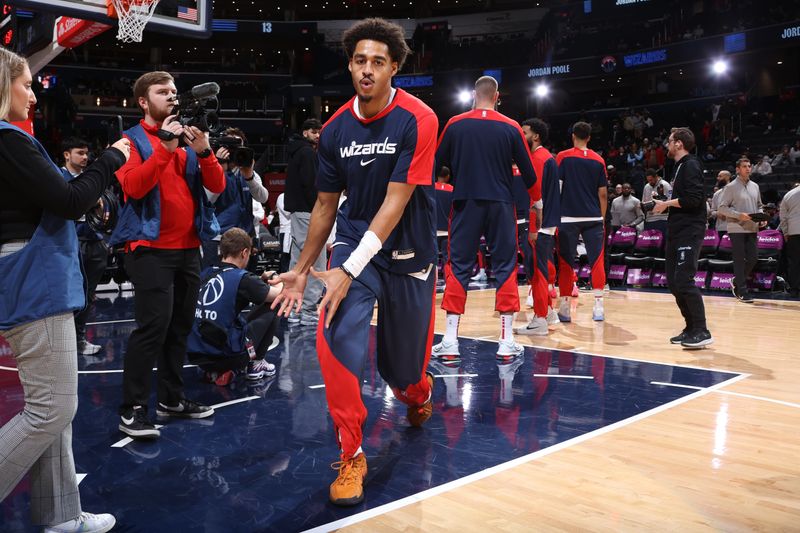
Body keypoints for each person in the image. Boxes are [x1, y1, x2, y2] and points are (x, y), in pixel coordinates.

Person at [269, 17, 438, 506]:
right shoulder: (336, 128)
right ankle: (351, 452)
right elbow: (324, 206)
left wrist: (349, 266)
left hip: (406, 248)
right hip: (353, 242)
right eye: (359, 60)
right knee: (334, 334)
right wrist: (302, 270)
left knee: (400, 372)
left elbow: (396, 201)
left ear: (394, 69)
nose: (367, 70)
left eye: (378, 62)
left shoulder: (419, 119)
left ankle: (418, 392)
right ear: (350, 64)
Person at [0, 47, 129, 533]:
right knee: (53, 407)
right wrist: (110, 159)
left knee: (52, 409)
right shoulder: (8, 139)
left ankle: (61, 517)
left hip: (27, 278)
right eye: (26, 84)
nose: (33, 94)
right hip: (35, 281)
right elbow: (70, 198)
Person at [111, 71, 225, 439]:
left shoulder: (189, 139)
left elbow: (217, 186)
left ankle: (172, 399)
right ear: (143, 101)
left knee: (179, 328)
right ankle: (131, 411)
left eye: (175, 92)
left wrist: (204, 151)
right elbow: (133, 185)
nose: (172, 98)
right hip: (149, 250)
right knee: (151, 330)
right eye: (163, 92)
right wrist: (165, 147)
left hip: (189, 248)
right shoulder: (128, 141)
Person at [432, 75, 537, 359]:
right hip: (502, 204)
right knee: (505, 266)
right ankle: (506, 340)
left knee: (459, 266)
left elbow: (433, 164)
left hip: (465, 202)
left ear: (472, 95)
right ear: (497, 96)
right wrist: (536, 202)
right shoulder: (512, 126)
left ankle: (451, 340)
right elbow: (529, 175)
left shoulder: (455, 123)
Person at [187, 228, 279, 385]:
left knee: (232, 320)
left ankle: (216, 371)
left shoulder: (205, 272)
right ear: (244, 253)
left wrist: (258, 280)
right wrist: (277, 278)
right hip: (224, 355)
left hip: (195, 353)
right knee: (276, 303)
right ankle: (255, 363)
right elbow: (277, 294)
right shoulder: (242, 278)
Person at [651, 127, 713, 349]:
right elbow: (683, 200)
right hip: (677, 230)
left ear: (679, 143)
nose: (667, 145)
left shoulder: (691, 165)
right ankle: (690, 328)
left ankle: (702, 330)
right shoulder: (679, 167)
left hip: (690, 230)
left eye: (669, 141)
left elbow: (695, 199)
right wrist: (664, 204)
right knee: (674, 281)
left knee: (684, 280)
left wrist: (666, 204)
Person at [555, 121, 608, 323]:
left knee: (567, 262)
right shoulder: (598, 160)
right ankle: (598, 307)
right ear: (589, 137)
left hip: (568, 217)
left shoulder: (563, 157)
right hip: (594, 217)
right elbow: (602, 194)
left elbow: (558, 188)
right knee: (597, 261)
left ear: (573, 136)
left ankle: (566, 307)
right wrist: (601, 218)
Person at [61, 137, 108, 356]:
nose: (85, 157)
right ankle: (65, 341)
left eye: (87, 153)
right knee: (68, 295)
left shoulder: (92, 179)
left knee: (88, 295)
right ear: (67, 154)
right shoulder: (57, 178)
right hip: (70, 244)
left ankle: (79, 339)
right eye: (80, 152)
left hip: (94, 242)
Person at [515, 118, 561, 336]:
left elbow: (537, 198)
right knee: (540, 270)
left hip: (539, 226)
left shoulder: (538, 159)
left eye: (524, 132)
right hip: (546, 225)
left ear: (536, 136)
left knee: (538, 273)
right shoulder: (546, 157)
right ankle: (550, 313)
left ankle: (540, 320)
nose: (521, 136)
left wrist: (533, 227)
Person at [202, 127, 268, 269]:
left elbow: (263, 198)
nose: (234, 151)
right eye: (230, 146)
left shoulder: (248, 173)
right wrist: (220, 170)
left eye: (238, 146)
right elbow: (208, 200)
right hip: (219, 238)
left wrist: (249, 177)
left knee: (244, 286)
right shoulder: (211, 171)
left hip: (245, 238)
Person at [285, 118, 324, 326]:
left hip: (298, 213)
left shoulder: (296, 151)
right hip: (309, 212)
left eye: (319, 131)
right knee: (315, 259)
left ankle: (293, 308)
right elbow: (311, 184)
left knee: (298, 260)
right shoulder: (307, 153)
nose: (317, 135)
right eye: (314, 131)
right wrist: (320, 209)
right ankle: (307, 309)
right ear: (305, 133)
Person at [718, 157, 762, 303]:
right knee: (739, 260)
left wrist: (761, 217)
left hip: (752, 227)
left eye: (749, 166)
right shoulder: (730, 187)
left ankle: (736, 280)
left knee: (753, 258)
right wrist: (738, 215)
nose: (748, 168)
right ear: (737, 169)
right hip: (736, 228)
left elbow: (759, 205)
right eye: (744, 166)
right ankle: (742, 290)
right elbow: (722, 208)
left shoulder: (755, 186)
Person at [780, 183, 800, 298]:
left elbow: (783, 216)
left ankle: (794, 289)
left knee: (794, 262)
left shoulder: (788, 194)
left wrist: (786, 232)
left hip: (794, 232)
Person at [642, 167, 672, 235]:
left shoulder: (665, 185)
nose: (650, 182)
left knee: (662, 242)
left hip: (663, 218)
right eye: (648, 180)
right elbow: (644, 201)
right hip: (650, 219)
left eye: (651, 180)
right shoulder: (646, 186)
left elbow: (671, 201)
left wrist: (657, 204)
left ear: (656, 176)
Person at [709, 170, 731, 236]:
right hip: (721, 228)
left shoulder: (737, 191)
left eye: (720, 176)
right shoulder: (717, 194)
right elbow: (712, 211)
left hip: (735, 228)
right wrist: (717, 213)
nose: (717, 178)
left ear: (727, 177)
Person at [276, 191, 291, 272]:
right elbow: (287, 212)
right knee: (286, 257)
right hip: (286, 231)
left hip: (297, 231)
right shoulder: (282, 196)